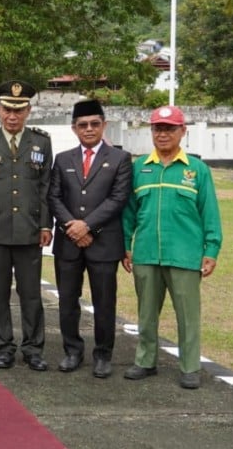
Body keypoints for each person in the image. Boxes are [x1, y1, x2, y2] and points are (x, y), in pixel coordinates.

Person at [122, 105, 222, 389]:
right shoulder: (140, 168)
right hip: (146, 253)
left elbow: (210, 213)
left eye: (169, 128)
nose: (163, 134)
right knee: (146, 312)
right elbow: (128, 212)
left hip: (185, 255)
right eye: (158, 128)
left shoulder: (197, 170)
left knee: (188, 314)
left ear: (182, 131)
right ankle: (145, 360)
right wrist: (125, 245)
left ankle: (190, 367)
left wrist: (211, 250)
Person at [0, 81, 53, 371]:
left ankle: (33, 348)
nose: (12, 116)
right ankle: (3, 347)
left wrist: (46, 224)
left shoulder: (41, 142)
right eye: (7, 109)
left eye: (19, 110)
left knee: (30, 293)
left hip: (29, 230)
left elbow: (44, 187)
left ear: (28, 111)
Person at [48, 100, 132, 378]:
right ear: (74, 128)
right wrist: (73, 227)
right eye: (82, 125)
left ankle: (103, 354)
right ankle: (72, 351)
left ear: (103, 125)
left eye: (95, 124)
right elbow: (54, 197)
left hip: (104, 243)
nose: (89, 129)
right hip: (68, 243)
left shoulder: (120, 159)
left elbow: (118, 199)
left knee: (104, 302)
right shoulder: (62, 159)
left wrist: (88, 227)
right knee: (68, 301)